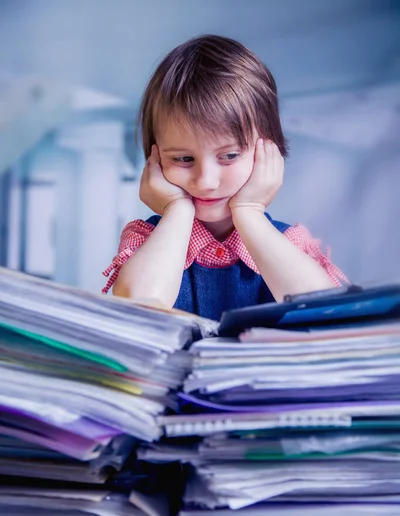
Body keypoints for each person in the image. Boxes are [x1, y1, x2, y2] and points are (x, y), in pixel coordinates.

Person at [103, 34, 347, 321]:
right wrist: (177, 210)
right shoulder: (147, 241)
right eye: (183, 159)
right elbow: (137, 310)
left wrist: (250, 214)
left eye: (229, 156)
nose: (205, 181)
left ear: (268, 152)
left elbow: (325, 313)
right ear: (155, 160)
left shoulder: (288, 243)